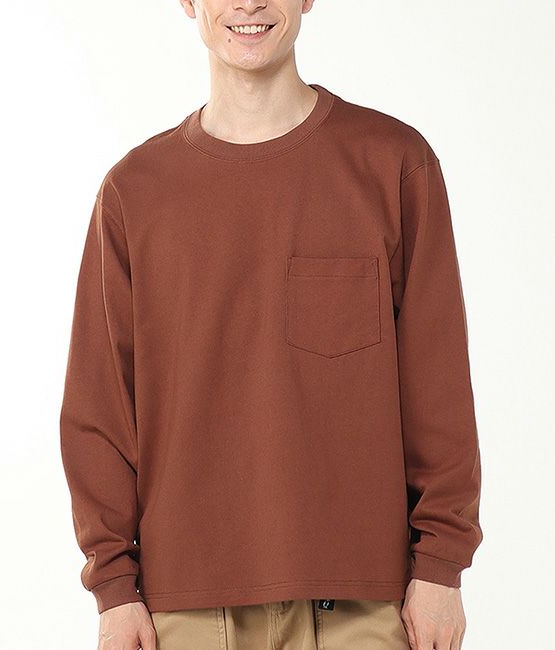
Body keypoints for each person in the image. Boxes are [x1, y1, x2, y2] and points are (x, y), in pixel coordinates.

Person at [59, 1, 483, 648]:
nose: (248, 3)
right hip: (186, 608)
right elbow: (100, 409)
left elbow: (438, 379)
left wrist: (441, 566)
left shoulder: (393, 164)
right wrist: (114, 587)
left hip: (366, 603)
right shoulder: (135, 193)